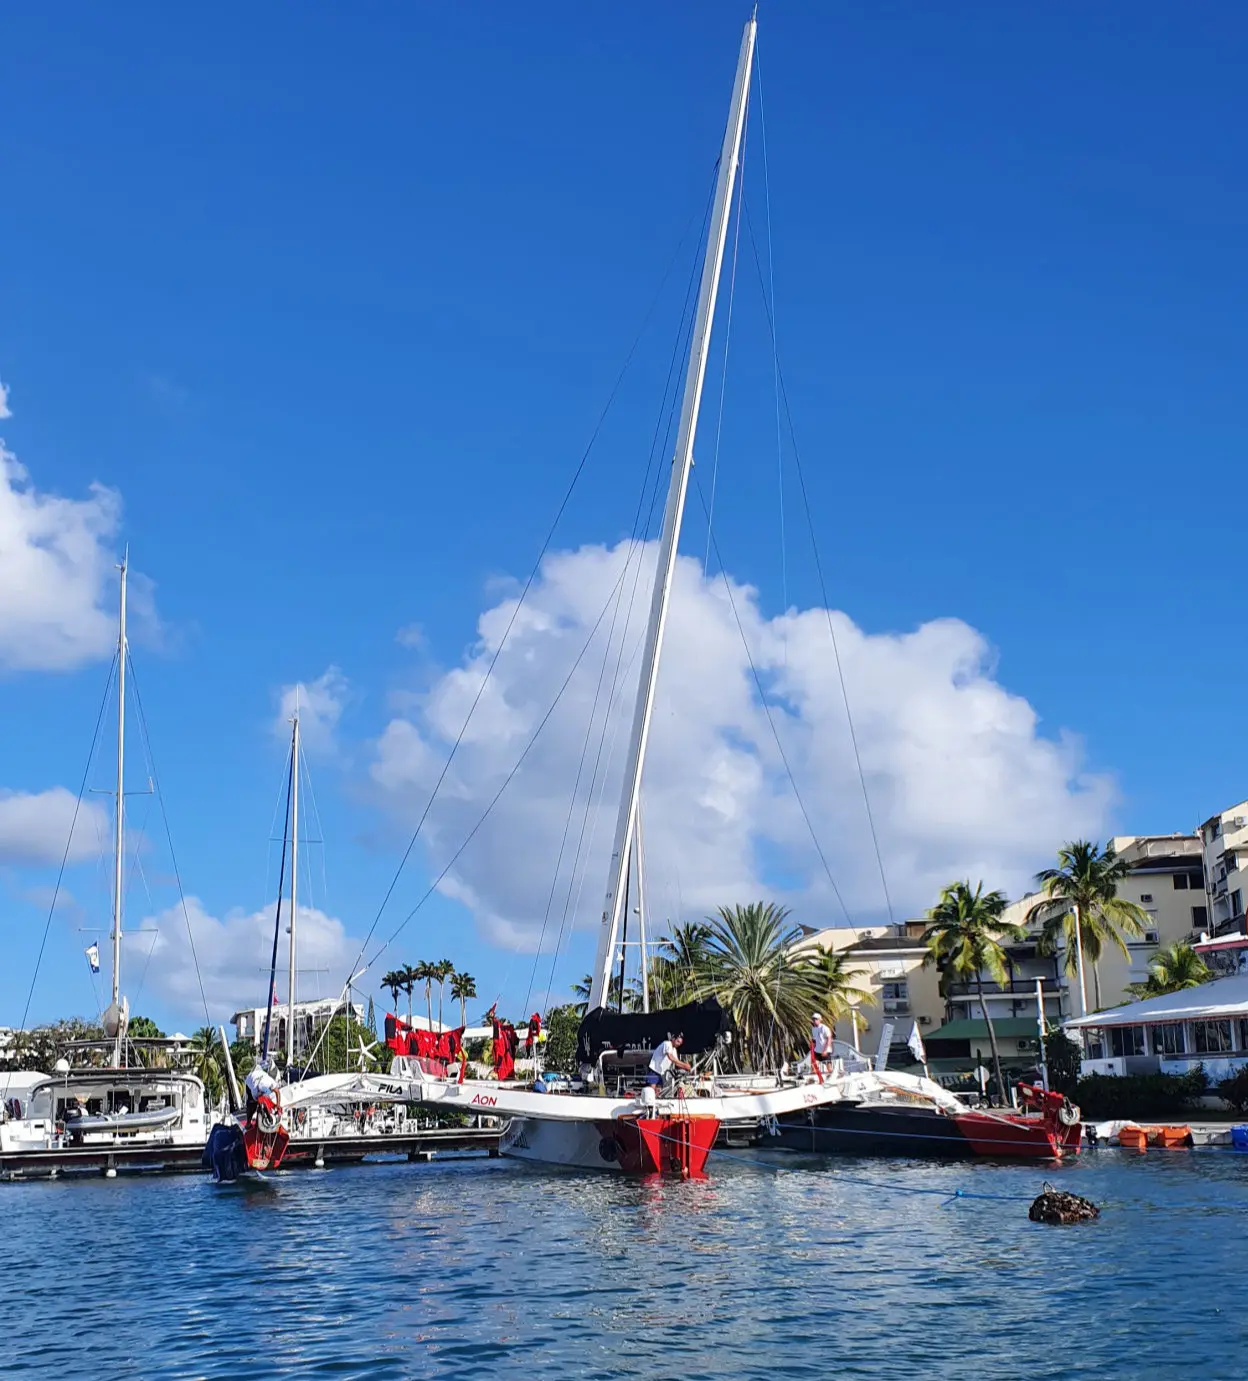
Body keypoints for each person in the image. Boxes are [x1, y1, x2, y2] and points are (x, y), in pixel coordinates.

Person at [244, 1055, 281, 1120]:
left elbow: (277, 1092)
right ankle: (248, 1122)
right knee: (251, 1104)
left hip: (260, 1077)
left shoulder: (270, 1081)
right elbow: (258, 1099)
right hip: (249, 1081)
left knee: (264, 1100)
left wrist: (278, 1104)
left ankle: (267, 1115)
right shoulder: (254, 1091)